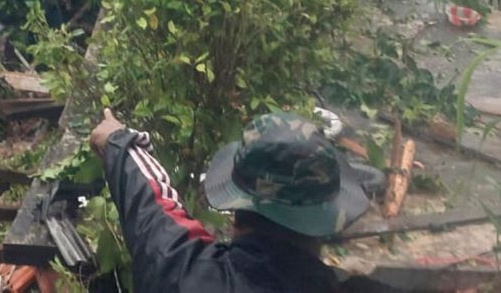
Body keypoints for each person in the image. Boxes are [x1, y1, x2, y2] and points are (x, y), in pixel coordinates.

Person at [90, 107, 390, 292]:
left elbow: (152, 207)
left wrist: (120, 142)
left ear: (238, 210)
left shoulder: (183, 274)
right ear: (329, 220)